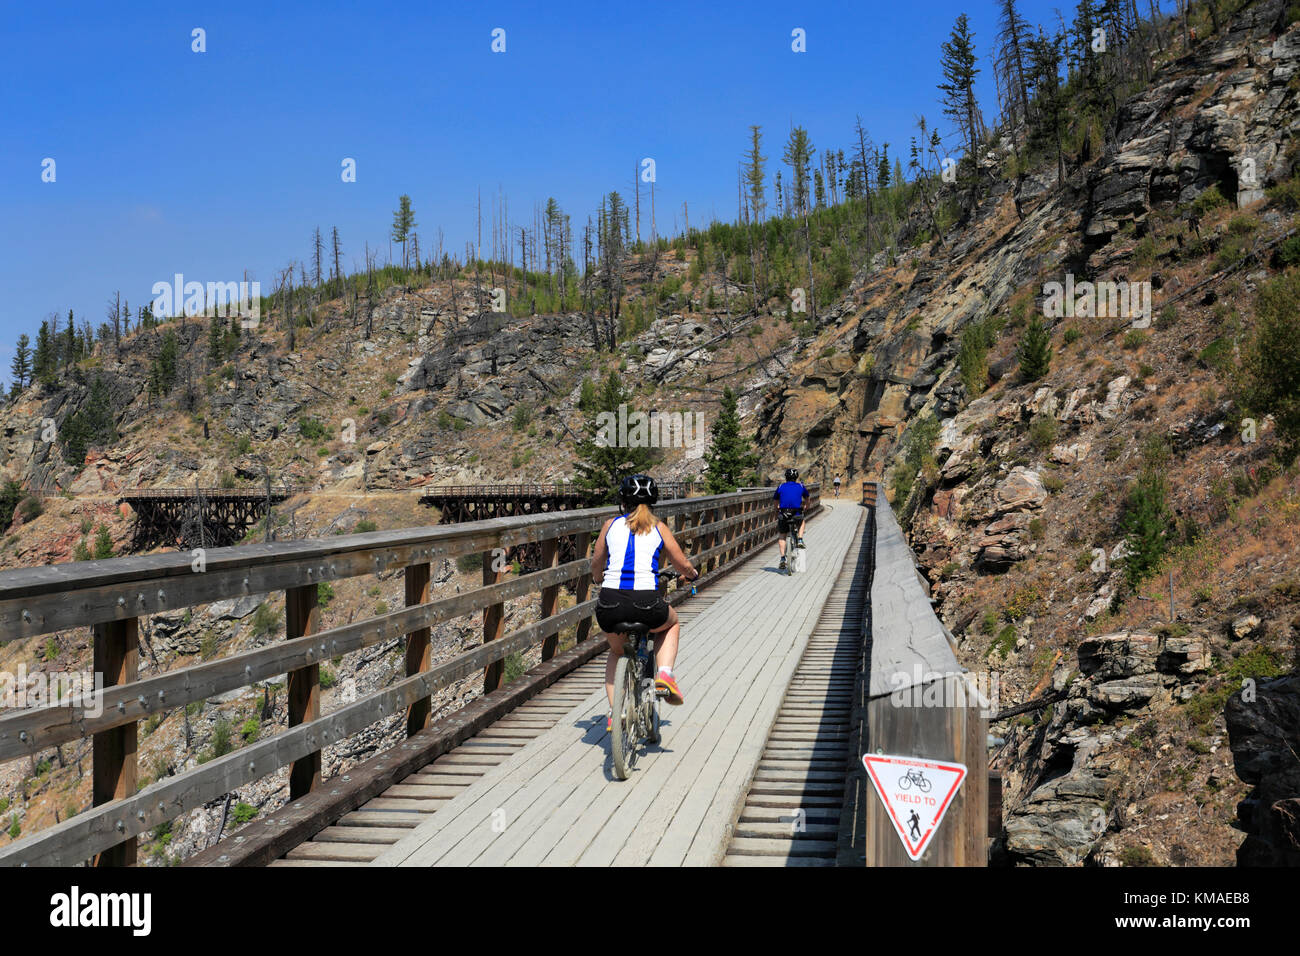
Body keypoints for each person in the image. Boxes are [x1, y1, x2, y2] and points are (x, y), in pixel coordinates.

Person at [590, 474, 699, 731]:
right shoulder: (659, 528)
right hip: (646, 603)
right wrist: (692, 574)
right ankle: (664, 675)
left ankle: (615, 712)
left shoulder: (610, 525)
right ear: (653, 502)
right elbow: (680, 563)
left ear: (622, 502)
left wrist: (598, 578)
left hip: (609, 604)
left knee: (617, 652)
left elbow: (596, 563)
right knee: (670, 624)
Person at [773, 468, 808, 571]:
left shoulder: (780, 486)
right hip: (796, 513)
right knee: (801, 522)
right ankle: (800, 539)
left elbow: (775, 500)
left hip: (783, 514)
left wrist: (776, 509)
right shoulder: (801, 486)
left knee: (782, 536)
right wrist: (806, 506)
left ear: (786, 477)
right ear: (796, 477)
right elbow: (807, 498)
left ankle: (783, 558)